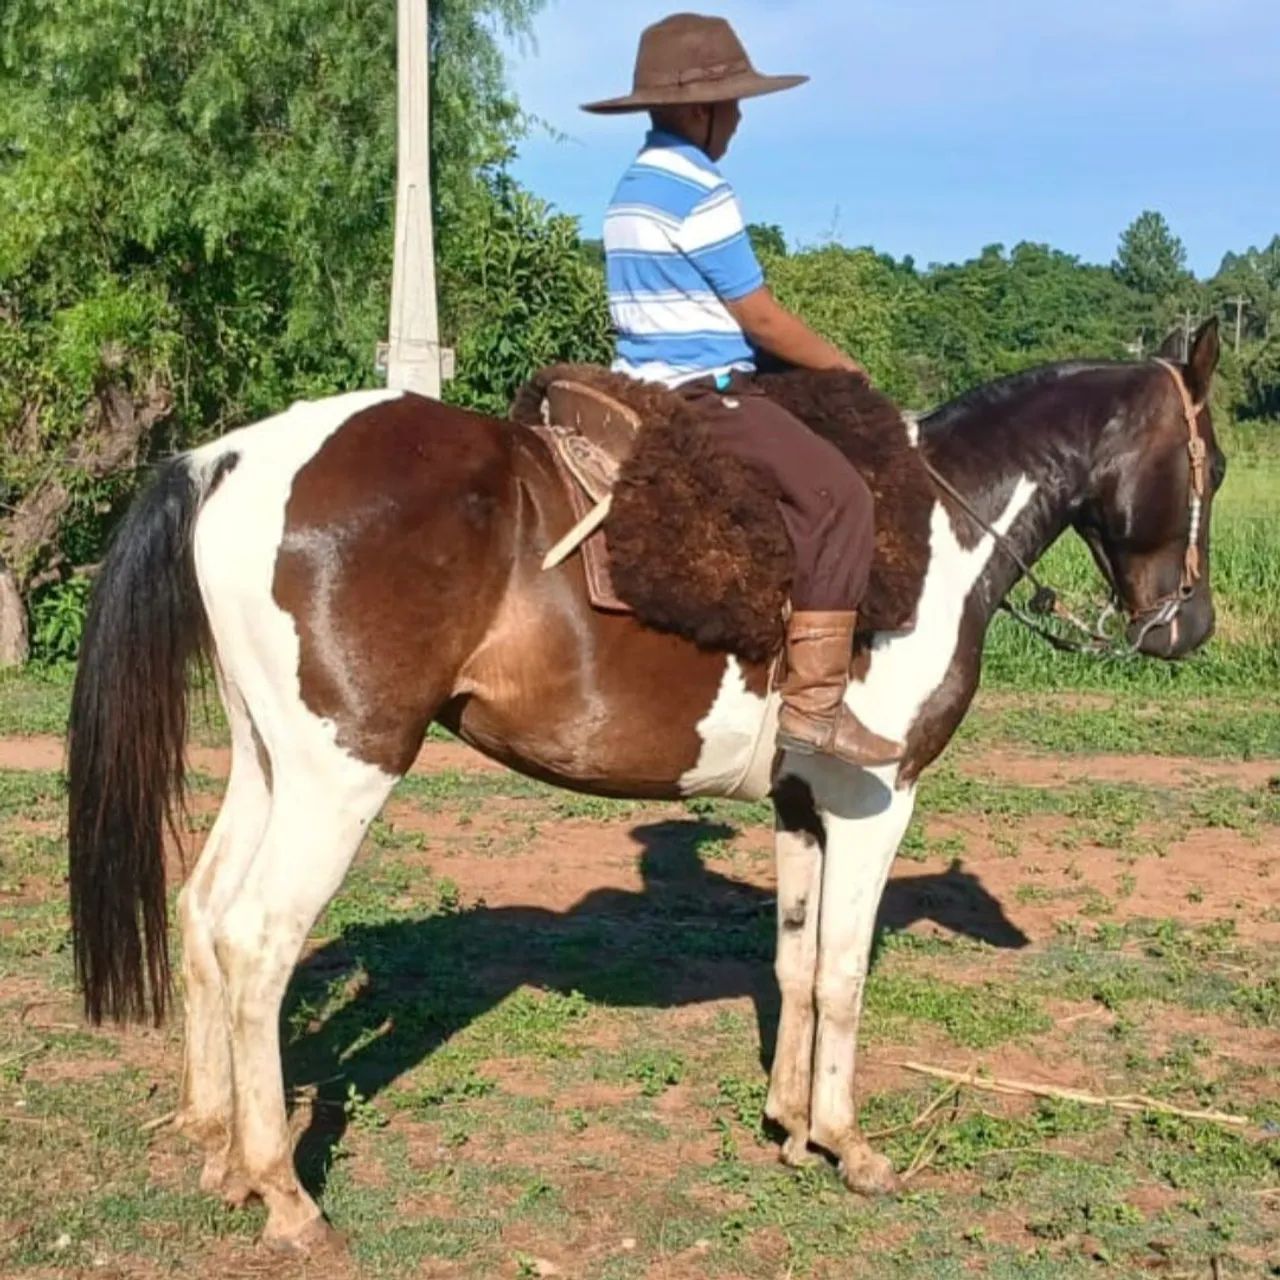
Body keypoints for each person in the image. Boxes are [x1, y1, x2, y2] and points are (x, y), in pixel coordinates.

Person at [582, 12, 902, 768]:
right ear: (700, 110)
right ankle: (816, 705)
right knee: (841, 497)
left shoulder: (632, 187)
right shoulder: (699, 186)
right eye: (733, 104)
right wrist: (844, 366)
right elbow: (758, 315)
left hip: (641, 381)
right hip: (705, 392)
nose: (739, 120)